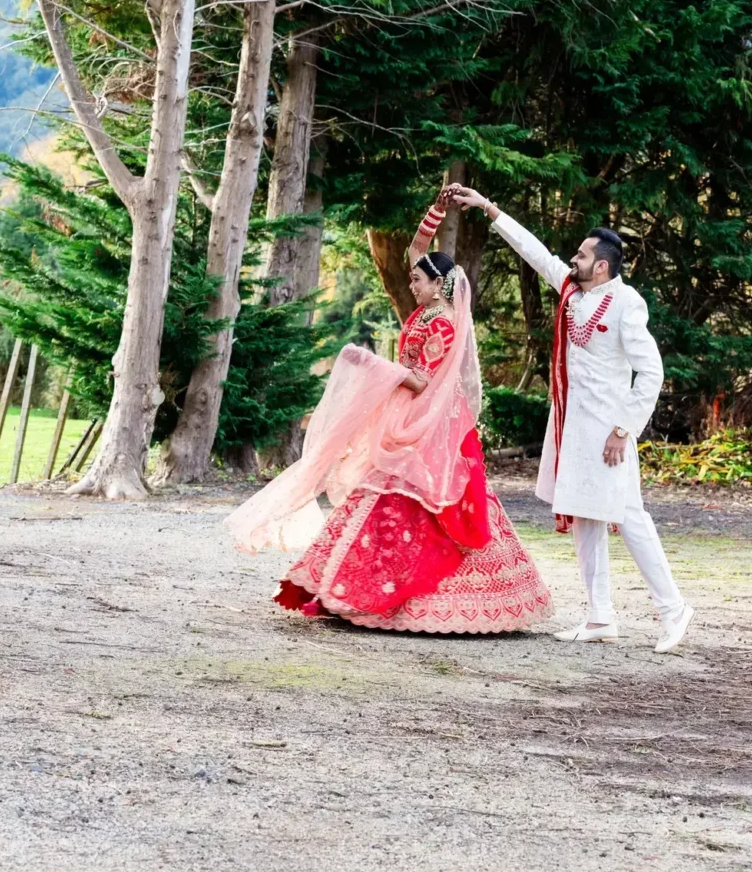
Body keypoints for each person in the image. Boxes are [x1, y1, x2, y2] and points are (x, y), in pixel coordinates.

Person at [226, 190, 552, 634]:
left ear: (439, 285)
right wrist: (438, 208)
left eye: (419, 281)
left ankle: (415, 599)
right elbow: (417, 251)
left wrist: (372, 365)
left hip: (429, 420)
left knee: (422, 496)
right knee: (381, 489)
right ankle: (344, 587)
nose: (411, 283)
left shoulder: (441, 321)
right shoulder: (426, 309)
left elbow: (420, 381)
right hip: (409, 414)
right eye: (414, 279)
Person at [447, 183, 693, 653]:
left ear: (601, 265)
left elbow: (652, 372)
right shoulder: (572, 292)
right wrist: (489, 206)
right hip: (572, 431)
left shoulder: (626, 303)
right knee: (584, 520)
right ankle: (600, 616)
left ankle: (673, 609)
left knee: (629, 517)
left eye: (581, 255)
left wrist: (625, 429)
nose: (572, 259)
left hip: (610, 435)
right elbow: (535, 252)